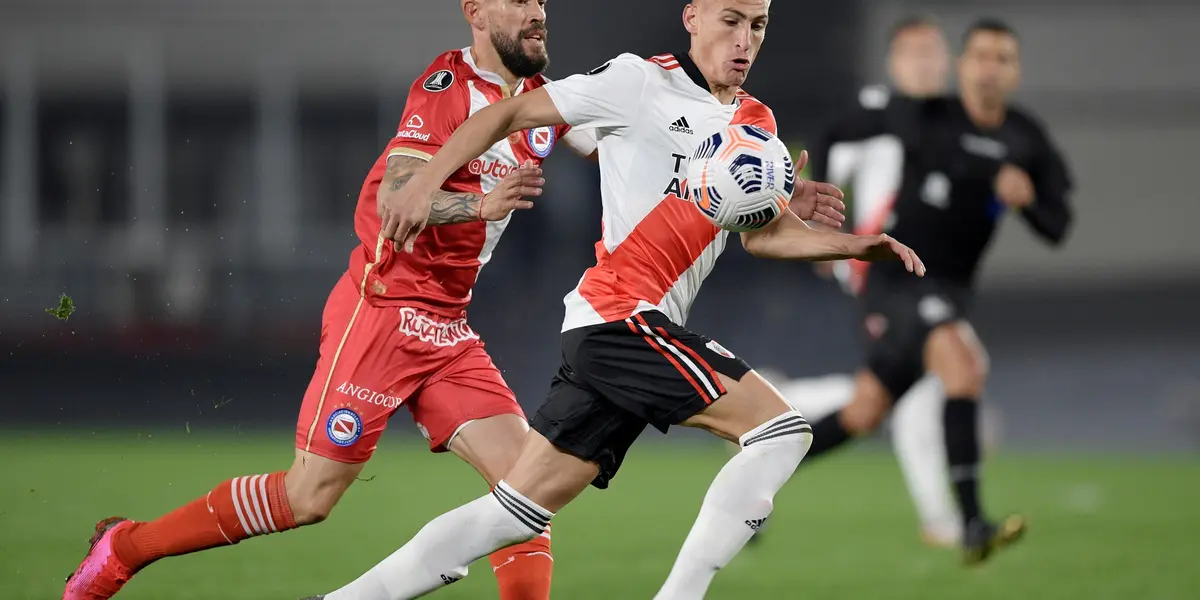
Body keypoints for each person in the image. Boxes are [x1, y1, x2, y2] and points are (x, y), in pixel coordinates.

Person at [303, 1, 926, 599]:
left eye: (758, 25)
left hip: (616, 330)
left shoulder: (756, 124)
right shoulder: (636, 82)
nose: (745, 40)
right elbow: (502, 117)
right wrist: (427, 183)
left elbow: (763, 239)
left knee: (513, 514)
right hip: (622, 317)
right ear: (693, 18)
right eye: (730, 21)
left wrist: (848, 242)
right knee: (782, 431)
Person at [61, 2, 601, 599]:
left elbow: (630, 144)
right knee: (307, 497)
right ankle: (126, 548)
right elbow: (399, 197)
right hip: (383, 313)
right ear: (475, 12)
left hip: (447, 329)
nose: (537, 12)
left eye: (541, 2)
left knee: (526, 493)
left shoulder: (546, 101)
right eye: (519, 0)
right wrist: (479, 204)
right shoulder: (445, 88)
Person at [798, 17, 1074, 565]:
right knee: (963, 364)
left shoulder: (1025, 136)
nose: (990, 69)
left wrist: (1027, 201)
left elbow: (1058, 225)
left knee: (865, 411)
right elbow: (831, 135)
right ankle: (972, 524)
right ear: (961, 65)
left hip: (949, 288)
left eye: (1003, 59)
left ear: (1015, 71)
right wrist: (822, 231)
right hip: (895, 275)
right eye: (980, 57)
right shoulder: (924, 114)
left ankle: (763, 462)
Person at [762, 14, 963, 548]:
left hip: (926, 275)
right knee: (920, 388)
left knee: (889, 394)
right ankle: (943, 521)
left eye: (933, 53)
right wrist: (823, 231)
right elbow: (817, 166)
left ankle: (784, 403)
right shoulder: (876, 114)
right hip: (881, 269)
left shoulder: (948, 121)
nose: (926, 63)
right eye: (914, 53)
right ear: (895, 63)